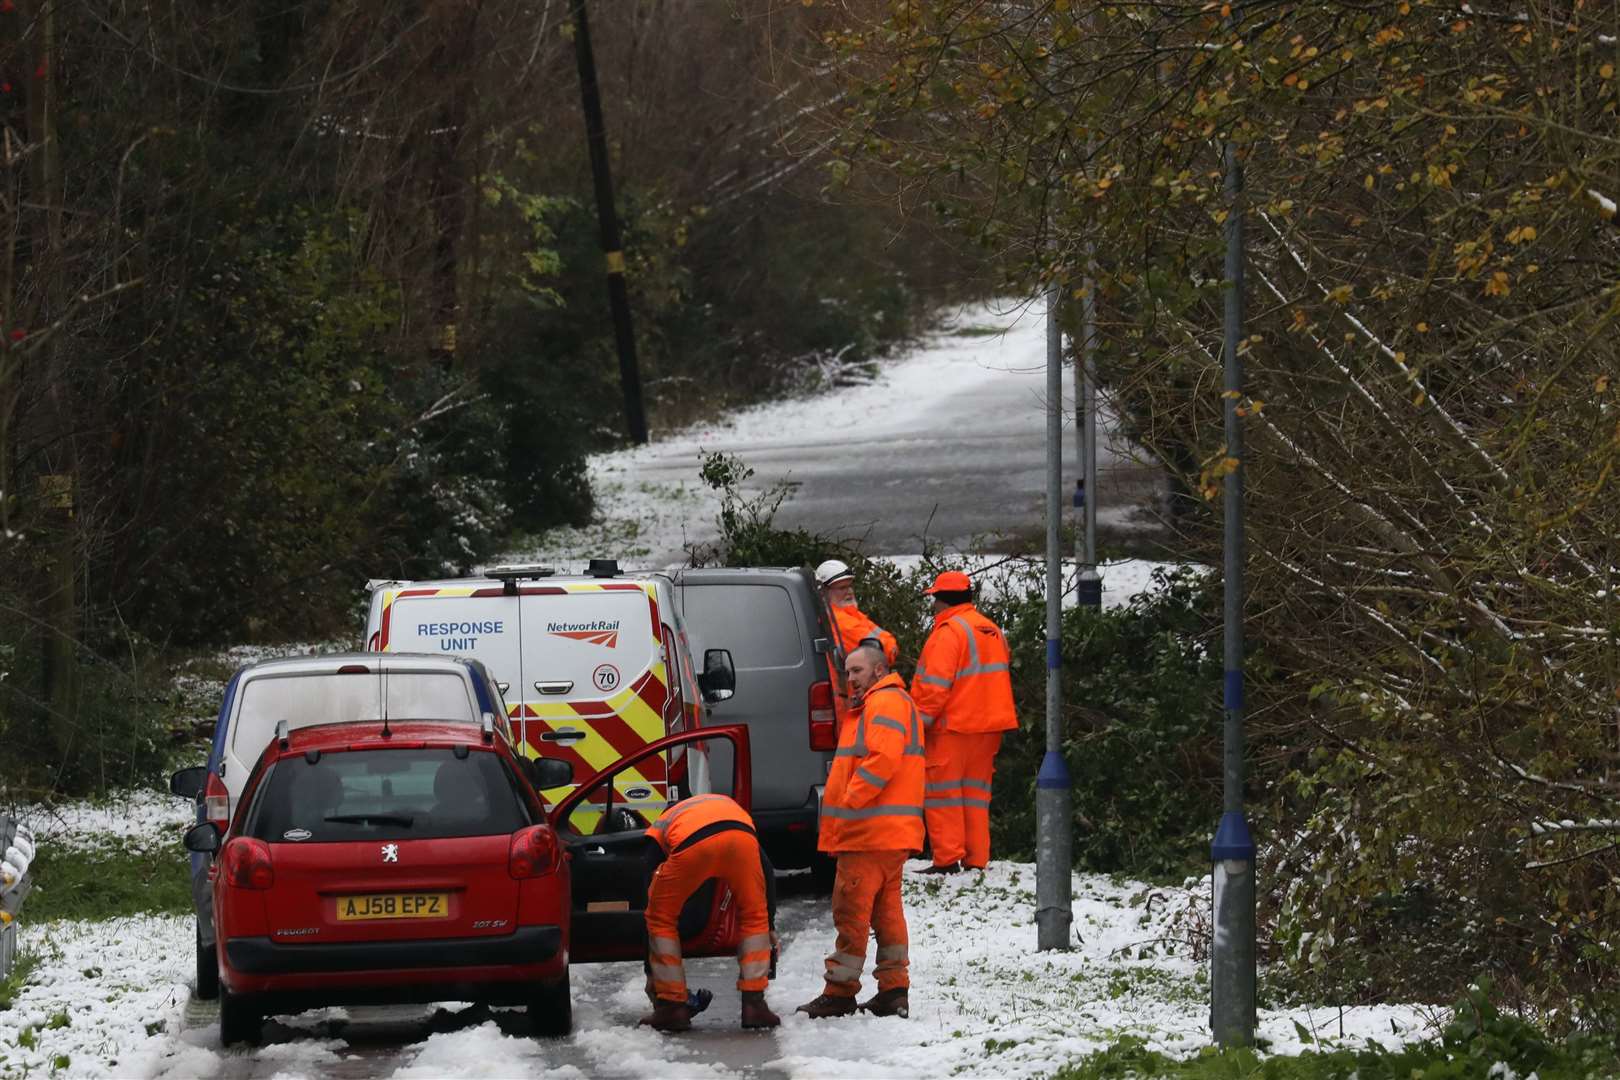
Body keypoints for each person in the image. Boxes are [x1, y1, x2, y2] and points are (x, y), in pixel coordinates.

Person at [797, 644, 925, 1020]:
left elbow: (881, 760)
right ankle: (893, 990)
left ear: (879, 670)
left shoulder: (883, 702)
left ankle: (840, 991)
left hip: (869, 832)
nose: (850, 678)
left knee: (850, 911)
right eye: (848, 672)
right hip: (887, 833)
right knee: (886, 914)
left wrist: (850, 802)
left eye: (857, 671)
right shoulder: (889, 702)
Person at [639, 793, 781, 1032]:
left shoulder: (665, 821)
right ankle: (754, 1004)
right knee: (755, 917)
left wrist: (649, 966)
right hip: (741, 840)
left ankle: (672, 1006)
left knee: (660, 919)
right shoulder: (726, 804)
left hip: (692, 844)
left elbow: (649, 871)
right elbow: (766, 870)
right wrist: (771, 923)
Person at [909, 570, 1017, 873]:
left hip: (953, 728)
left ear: (940, 600)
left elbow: (933, 688)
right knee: (975, 795)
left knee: (942, 794)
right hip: (990, 727)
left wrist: (919, 725)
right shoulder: (992, 630)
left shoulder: (948, 633)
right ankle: (976, 859)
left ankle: (946, 860)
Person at [816, 559, 899, 666]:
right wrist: (890, 646)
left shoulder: (850, 613)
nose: (849, 591)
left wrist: (889, 645)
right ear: (823, 592)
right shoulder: (839, 621)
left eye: (850, 586)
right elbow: (883, 654)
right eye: (842, 588)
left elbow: (886, 643)